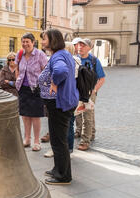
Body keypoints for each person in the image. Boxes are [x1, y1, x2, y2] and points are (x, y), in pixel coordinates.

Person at [42, 29, 79, 185]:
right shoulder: (63, 54)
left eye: (44, 39)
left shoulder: (58, 56)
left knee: (59, 141)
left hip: (59, 104)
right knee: (58, 140)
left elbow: (61, 71)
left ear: (53, 40)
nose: (42, 42)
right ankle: (58, 168)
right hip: (62, 103)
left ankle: (63, 176)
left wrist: (55, 83)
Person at [15, 32, 48, 152]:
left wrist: (43, 87)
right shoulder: (19, 54)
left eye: (27, 42)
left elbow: (46, 71)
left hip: (36, 89)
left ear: (33, 43)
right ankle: (27, 138)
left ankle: (36, 141)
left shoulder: (40, 55)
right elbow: (17, 69)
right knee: (25, 115)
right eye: (23, 42)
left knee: (35, 116)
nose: (25, 44)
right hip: (23, 89)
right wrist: (18, 81)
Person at [75, 38, 106, 151]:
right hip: (77, 91)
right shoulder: (75, 59)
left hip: (89, 92)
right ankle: (86, 132)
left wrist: (94, 90)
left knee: (87, 116)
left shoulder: (94, 60)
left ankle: (85, 141)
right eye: (79, 45)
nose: (80, 47)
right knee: (78, 114)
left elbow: (102, 78)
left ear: (89, 47)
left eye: (83, 45)